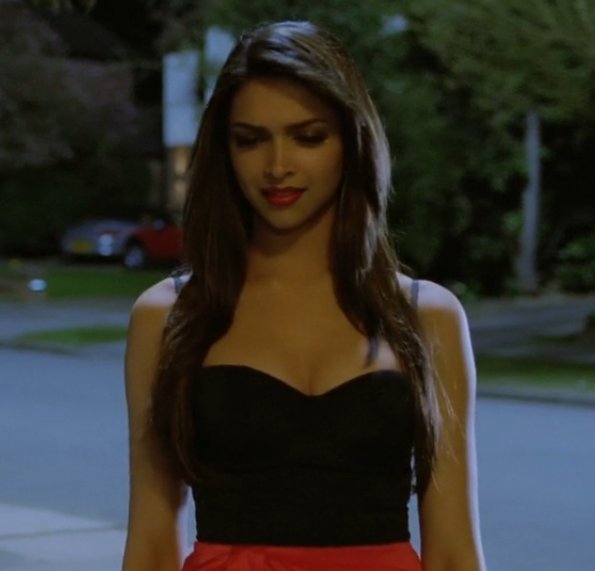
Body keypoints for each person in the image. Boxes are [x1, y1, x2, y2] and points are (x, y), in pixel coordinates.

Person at [122, 20, 487, 571]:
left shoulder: (427, 317)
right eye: (250, 140)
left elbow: (456, 553)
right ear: (225, 152)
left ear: (352, 143)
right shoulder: (168, 317)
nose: (277, 166)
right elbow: (151, 544)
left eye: (308, 136)